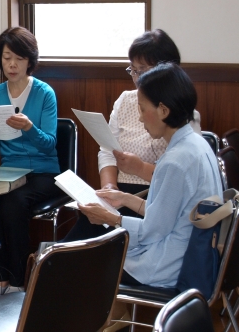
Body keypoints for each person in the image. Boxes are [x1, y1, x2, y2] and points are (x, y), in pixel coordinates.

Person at [78, 62, 222, 288]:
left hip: (167, 265)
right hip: (187, 252)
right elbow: (167, 213)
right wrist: (125, 198)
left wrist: (111, 219)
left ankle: (112, 321)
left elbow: (151, 231)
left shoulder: (175, 161)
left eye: (143, 109)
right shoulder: (198, 144)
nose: (140, 117)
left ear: (164, 111)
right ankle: (116, 321)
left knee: (81, 261)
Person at [64, 29, 202, 241]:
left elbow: (175, 184)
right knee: (78, 239)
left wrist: (140, 169)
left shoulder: (183, 118)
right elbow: (107, 150)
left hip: (151, 196)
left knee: (90, 248)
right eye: (133, 70)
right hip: (120, 193)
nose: (137, 79)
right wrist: (109, 186)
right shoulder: (125, 100)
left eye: (143, 71)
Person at [0, 27, 59, 299]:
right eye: (7, 57)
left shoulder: (45, 93)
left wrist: (29, 127)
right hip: (9, 169)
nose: (12, 65)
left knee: (14, 204)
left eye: (19, 59)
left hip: (43, 171)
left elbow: (49, 144)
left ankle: (19, 279)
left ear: (30, 61)